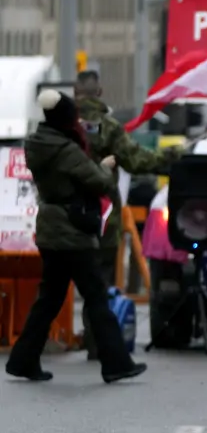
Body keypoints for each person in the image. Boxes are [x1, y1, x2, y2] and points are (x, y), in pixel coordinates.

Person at [4, 90, 147, 383]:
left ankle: (23, 360)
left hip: (49, 228)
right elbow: (98, 183)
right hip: (72, 232)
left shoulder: (36, 143)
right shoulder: (66, 150)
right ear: (66, 119)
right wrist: (105, 168)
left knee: (49, 298)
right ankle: (116, 363)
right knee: (95, 295)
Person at [75, 70, 180, 358]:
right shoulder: (108, 128)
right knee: (102, 282)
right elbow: (137, 159)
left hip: (65, 215)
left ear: (74, 93)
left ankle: (33, 348)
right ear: (99, 93)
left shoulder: (61, 126)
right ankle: (99, 345)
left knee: (61, 284)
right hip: (102, 215)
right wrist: (173, 157)